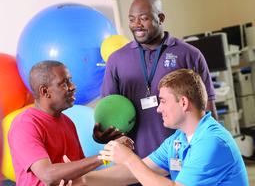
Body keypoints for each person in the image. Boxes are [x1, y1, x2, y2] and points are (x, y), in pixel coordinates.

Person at [93, 0, 218, 159]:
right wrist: (101, 136)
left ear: (160, 18)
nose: (136, 25)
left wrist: (214, 148)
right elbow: (109, 110)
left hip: (184, 155)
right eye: (132, 19)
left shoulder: (189, 54)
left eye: (143, 18)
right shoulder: (117, 60)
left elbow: (207, 106)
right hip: (136, 160)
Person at [83, 69, 249, 186]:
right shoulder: (178, 139)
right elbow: (134, 172)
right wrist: (81, 181)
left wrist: (129, 158)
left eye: (163, 101)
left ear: (183, 103)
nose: (158, 109)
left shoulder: (212, 142)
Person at [8, 60, 133, 186]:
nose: (73, 86)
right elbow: (48, 175)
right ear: (45, 91)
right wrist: (106, 155)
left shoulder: (67, 122)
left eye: (70, 80)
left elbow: (81, 173)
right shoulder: (25, 124)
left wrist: (109, 147)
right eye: (64, 84)